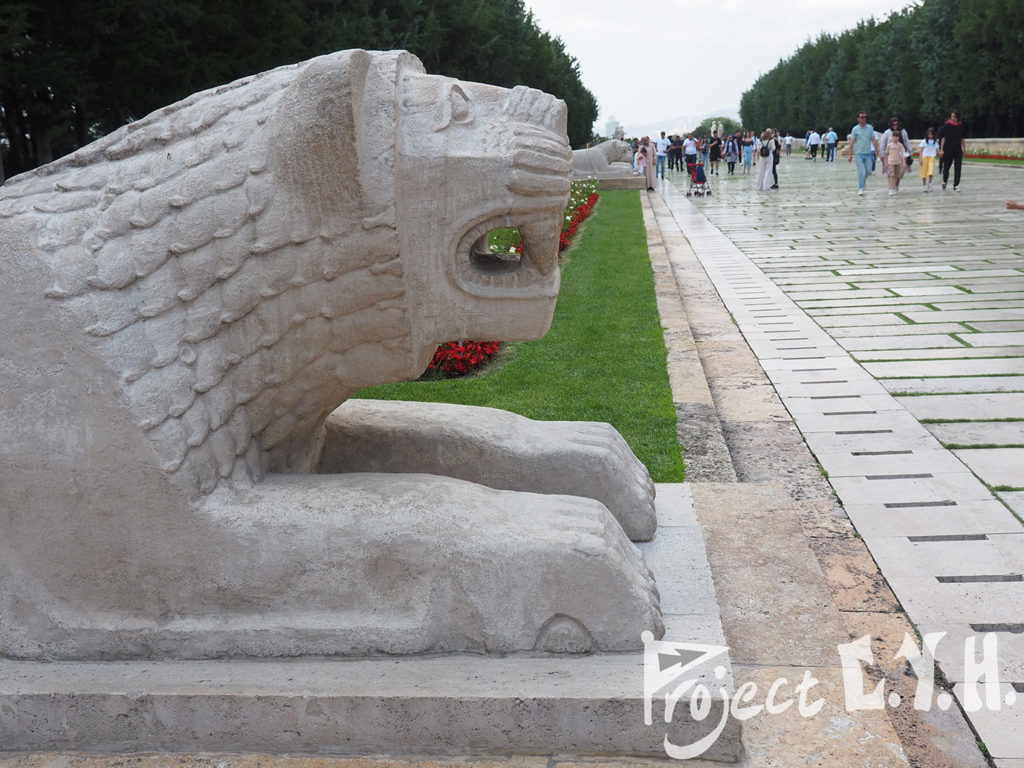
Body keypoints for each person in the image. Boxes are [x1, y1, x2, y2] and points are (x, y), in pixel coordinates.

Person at [847, 110, 880, 195]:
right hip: (858, 153)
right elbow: (852, 142)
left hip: (868, 153)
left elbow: (873, 139)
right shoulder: (855, 129)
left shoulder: (870, 128)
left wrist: (877, 150)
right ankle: (861, 188)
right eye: (862, 117)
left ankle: (864, 180)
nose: (864, 119)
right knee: (860, 171)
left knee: (869, 171)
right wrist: (850, 154)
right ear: (858, 119)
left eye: (865, 117)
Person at [880, 116, 911, 195]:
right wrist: (882, 155)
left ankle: (896, 185)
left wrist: (909, 153)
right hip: (891, 155)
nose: (895, 125)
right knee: (891, 173)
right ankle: (891, 187)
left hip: (901, 153)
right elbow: (883, 144)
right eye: (893, 124)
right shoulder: (887, 133)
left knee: (900, 172)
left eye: (896, 124)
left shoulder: (903, 131)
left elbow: (906, 142)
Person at [938, 108, 966, 191]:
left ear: (957, 117)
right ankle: (945, 180)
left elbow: (962, 138)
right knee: (946, 166)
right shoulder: (947, 126)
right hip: (948, 149)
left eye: (953, 116)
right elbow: (943, 138)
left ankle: (956, 185)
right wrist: (941, 149)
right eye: (951, 116)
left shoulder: (961, 126)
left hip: (957, 149)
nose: (952, 118)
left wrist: (964, 148)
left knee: (958, 167)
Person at [918, 127, 939, 192]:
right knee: (924, 172)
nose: (930, 136)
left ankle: (930, 183)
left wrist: (941, 153)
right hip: (925, 157)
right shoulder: (924, 141)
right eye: (929, 134)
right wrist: (920, 159)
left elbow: (938, 150)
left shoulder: (935, 142)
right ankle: (924, 185)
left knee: (931, 171)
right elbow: (921, 150)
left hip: (932, 157)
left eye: (931, 134)